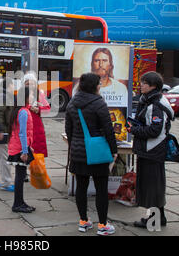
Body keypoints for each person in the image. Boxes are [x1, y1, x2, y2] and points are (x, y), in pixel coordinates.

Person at [65, 73, 118, 236]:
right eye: (99, 84)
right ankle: (102, 225)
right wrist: (114, 149)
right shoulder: (99, 103)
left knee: (81, 188)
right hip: (97, 154)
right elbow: (108, 129)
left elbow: (69, 130)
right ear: (94, 86)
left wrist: (75, 146)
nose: (100, 86)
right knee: (101, 189)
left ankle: (83, 221)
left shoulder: (72, 103)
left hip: (79, 153)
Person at [126, 72, 174, 229]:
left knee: (153, 187)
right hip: (151, 150)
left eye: (144, 83)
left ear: (153, 86)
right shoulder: (150, 100)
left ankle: (154, 221)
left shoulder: (155, 105)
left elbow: (154, 130)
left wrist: (134, 130)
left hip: (152, 150)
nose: (141, 85)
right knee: (153, 186)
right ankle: (160, 218)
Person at [7, 85, 36, 213]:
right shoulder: (23, 112)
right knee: (20, 176)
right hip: (20, 149)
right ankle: (17, 204)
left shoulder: (20, 110)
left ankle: (20, 202)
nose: (32, 97)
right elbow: (22, 133)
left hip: (20, 146)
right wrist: (25, 151)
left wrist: (29, 147)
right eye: (30, 95)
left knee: (21, 175)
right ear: (24, 97)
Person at [24, 73, 50, 158]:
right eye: (28, 84)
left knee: (37, 156)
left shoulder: (39, 94)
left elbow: (48, 109)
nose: (30, 86)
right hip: (24, 128)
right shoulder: (21, 94)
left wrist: (39, 110)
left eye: (32, 83)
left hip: (36, 128)